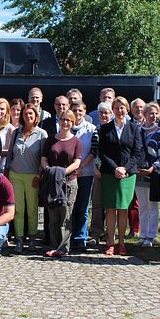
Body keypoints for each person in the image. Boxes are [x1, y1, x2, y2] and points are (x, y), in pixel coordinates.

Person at [99, 96, 142, 256]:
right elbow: (102, 153)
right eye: (116, 108)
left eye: (122, 107)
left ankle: (122, 243)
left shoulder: (134, 127)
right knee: (110, 209)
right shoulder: (105, 128)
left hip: (128, 175)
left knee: (123, 208)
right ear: (113, 110)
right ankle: (110, 242)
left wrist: (125, 168)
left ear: (127, 109)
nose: (119, 111)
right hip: (110, 173)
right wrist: (115, 168)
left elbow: (136, 152)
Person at [6, 103, 48, 253]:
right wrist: (7, 170)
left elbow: (44, 156)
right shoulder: (16, 132)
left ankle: (32, 237)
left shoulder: (42, 134)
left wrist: (39, 174)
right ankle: (18, 238)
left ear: (36, 116)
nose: (28, 116)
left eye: (31, 114)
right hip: (15, 174)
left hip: (32, 176)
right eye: (25, 114)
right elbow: (10, 152)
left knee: (32, 209)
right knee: (18, 209)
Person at [41, 110, 82, 257]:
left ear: (72, 123)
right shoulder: (51, 139)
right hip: (52, 182)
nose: (65, 123)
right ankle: (53, 245)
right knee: (53, 216)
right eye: (63, 119)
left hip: (69, 182)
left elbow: (77, 162)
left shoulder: (76, 141)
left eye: (69, 120)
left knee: (66, 215)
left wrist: (62, 173)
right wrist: (50, 171)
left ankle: (63, 247)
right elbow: (44, 158)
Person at [135, 102, 160, 247]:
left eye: (155, 114)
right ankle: (143, 234)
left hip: (153, 173)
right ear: (145, 114)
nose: (153, 116)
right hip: (139, 172)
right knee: (142, 205)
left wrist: (153, 168)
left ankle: (151, 235)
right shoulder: (138, 130)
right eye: (150, 113)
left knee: (152, 206)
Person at [70, 101, 98, 250]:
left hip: (86, 173)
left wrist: (80, 167)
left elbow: (93, 151)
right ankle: (69, 236)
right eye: (74, 110)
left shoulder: (92, 129)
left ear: (85, 111)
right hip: (70, 175)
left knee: (83, 207)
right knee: (70, 206)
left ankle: (80, 237)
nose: (77, 113)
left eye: (80, 110)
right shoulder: (66, 127)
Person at [87, 102, 113, 246]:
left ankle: (110, 234)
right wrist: (96, 168)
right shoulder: (96, 130)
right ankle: (96, 232)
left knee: (111, 205)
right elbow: (94, 151)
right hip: (98, 170)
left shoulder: (115, 130)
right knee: (97, 203)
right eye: (101, 113)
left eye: (107, 112)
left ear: (111, 114)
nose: (104, 115)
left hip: (112, 172)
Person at [126, 97, 146, 239]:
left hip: (146, 168)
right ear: (131, 110)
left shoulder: (151, 124)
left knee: (146, 202)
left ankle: (147, 231)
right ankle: (134, 229)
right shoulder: (127, 125)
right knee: (132, 201)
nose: (139, 109)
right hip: (131, 166)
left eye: (141, 107)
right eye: (136, 107)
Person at [0, 98, 16, 170]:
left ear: (7, 111)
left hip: (3, 167)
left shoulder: (10, 129)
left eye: (2, 109)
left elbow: (9, 151)